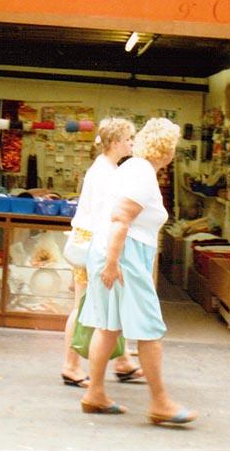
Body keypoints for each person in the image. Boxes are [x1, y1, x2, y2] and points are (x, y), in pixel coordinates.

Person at [78, 117, 197, 425]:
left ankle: (95, 393)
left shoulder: (131, 167)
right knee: (149, 328)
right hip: (124, 256)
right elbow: (121, 218)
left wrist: (108, 261)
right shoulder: (143, 173)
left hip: (113, 253)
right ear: (167, 150)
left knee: (108, 326)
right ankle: (160, 401)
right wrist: (113, 264)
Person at [61, 117, 143, 388]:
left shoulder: (105, 169)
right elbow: (107, 216)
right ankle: (71, 365)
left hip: (88, 241)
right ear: (116, 142)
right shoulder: (107, 174)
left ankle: (123, 361)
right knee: (84, 305)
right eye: (129, 138)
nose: (132, 142)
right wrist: (111, 254)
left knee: (105, 304)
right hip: (92, 244)